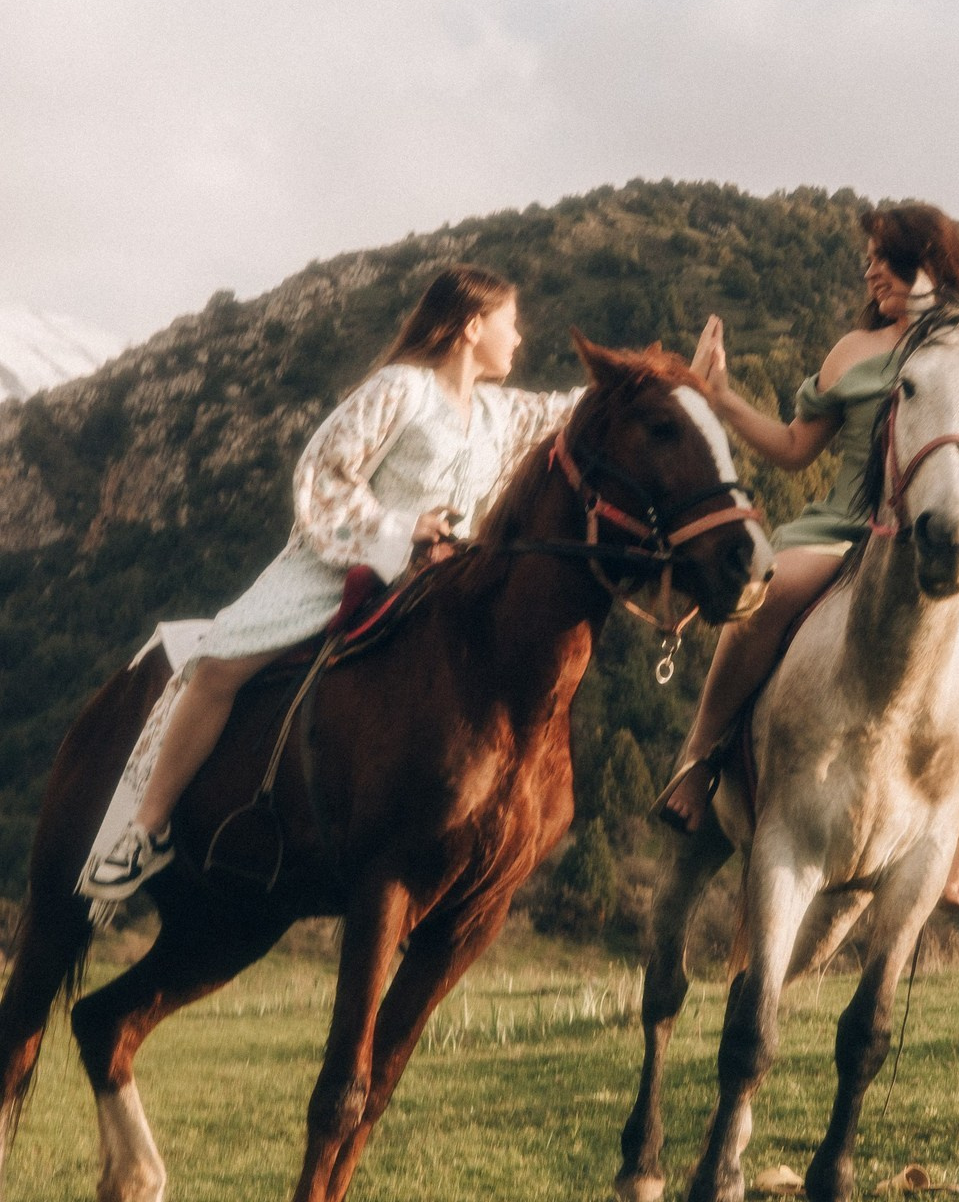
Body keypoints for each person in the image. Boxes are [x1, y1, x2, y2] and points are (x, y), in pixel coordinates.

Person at [80, 264, 584, 903]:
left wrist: (689, 382)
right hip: (340, 564)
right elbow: (324, 473)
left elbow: (575, 408)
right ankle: (145, 831)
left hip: (444, 583)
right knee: (217, 665)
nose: (520, 337)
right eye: (511, 323)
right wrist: (403, 531)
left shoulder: (496, 413)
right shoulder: (401, 389)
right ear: (472, 326)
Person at [652, 204, 959, 917]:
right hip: (848, 526)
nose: (871, 270)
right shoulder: (853, 353)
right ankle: (701, 760)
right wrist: (725, 398)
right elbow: (797, 447)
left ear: (932, 261)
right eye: (868, 258)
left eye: (886, 257)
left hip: (955, 523)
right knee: (765, 603)